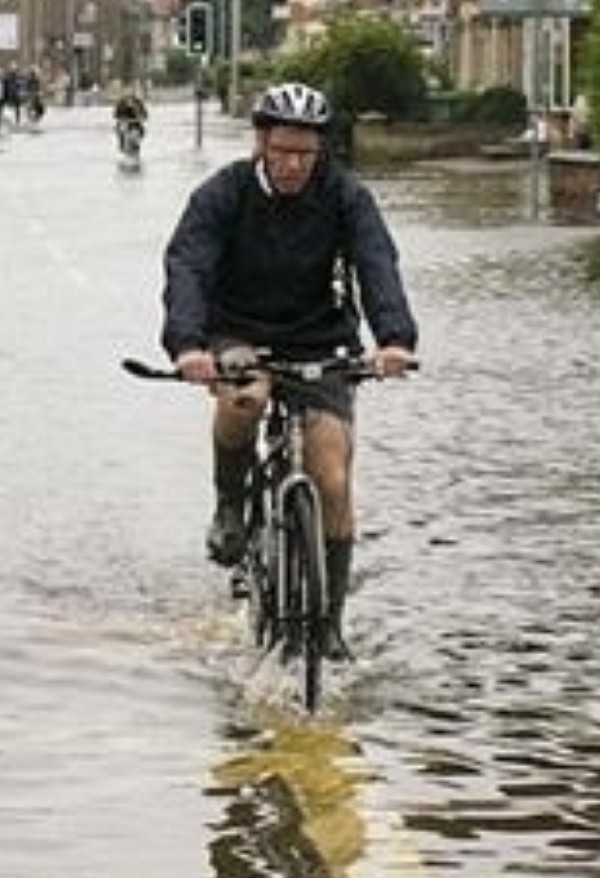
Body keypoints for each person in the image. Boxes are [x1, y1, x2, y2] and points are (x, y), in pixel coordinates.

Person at [159, 81, 419, 659]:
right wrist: (187, 345)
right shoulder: (222, 194)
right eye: (283, 151)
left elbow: (378, 262)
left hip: (318, 337)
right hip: (238, 331)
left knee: (331, 473)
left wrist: (395, 338)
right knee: (243, 397)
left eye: (306, 152)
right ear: (261, 143)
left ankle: (328, 626)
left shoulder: (346, 196)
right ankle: (231, 501)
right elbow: (189, 265)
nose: (294, 164)